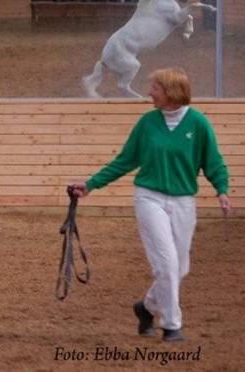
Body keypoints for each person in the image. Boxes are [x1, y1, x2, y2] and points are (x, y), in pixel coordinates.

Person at [71, 68, 231, 342]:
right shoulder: (147, 123)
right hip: (149, 198)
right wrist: (91, 184)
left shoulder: (198, 124)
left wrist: (222, 190)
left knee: (180, 269)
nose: (149, 93)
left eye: (154, 88)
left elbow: (212, 161)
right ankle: (172, 325)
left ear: (171, 92)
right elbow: (125, 160)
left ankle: (146, 307)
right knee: (167, 264)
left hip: (183, 200)